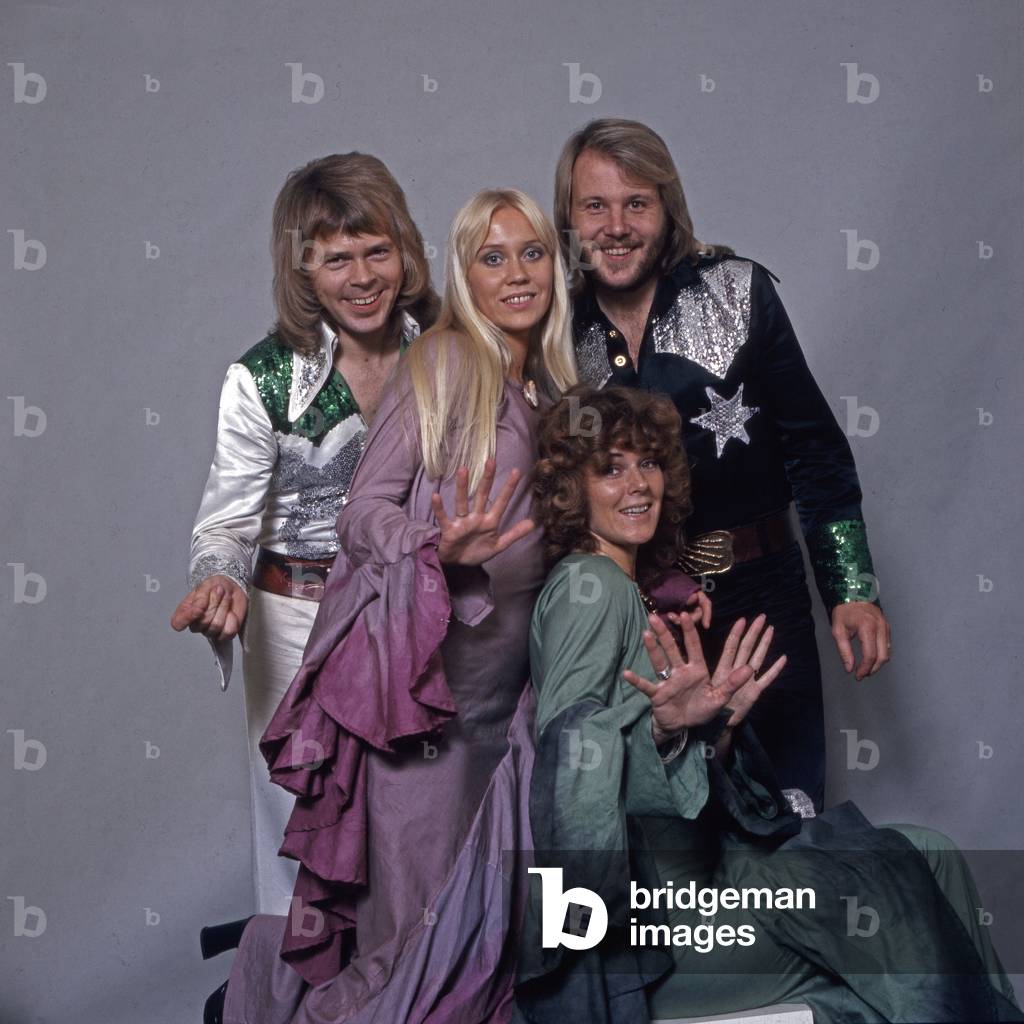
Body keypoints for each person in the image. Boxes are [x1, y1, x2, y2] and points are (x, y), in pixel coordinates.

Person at [516, 386, 1020, 1024]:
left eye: (647, 462)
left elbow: (650, 754)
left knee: (929, 852)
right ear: (572, 489)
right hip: (654, 925)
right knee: (885, 893)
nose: (637, 484)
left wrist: (711, 731)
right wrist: (665, 730)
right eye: (610, 468)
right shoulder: (590, 586)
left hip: (706, 872)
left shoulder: (627, 586)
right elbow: (570, 761)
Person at [217, 189, 577, 1024]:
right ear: (463, 273)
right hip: (427, 706)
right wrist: (431, 548)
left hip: (509, 706)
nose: (517, 273)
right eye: (493, 257)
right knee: (411, 947)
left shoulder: (553, 390)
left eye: (533, 253)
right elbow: (362, 511)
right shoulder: (449, 363)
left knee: (482, 942)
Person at [555, 118, 893, 808]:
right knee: (669, 828)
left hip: (763, 597)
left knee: (786, 813)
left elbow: (814, 447)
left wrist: (851, 585)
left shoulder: (738, 292)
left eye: (636, 204)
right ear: (568, 218)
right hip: (637, 613)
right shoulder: (554, 327)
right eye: (595, 206)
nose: (616, 226)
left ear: (667, 208)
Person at [170, 152, 439, 919]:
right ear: (304, 270)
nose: (361, 276)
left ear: (406, 252)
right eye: (336, 258)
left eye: (377, 251)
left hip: (414, 618)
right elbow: (224, 526)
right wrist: (219, 579)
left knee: (416, 820)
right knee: (303, 828)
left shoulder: (448, 352)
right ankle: (296, 994)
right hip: (297, 625)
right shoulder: (262, 380)